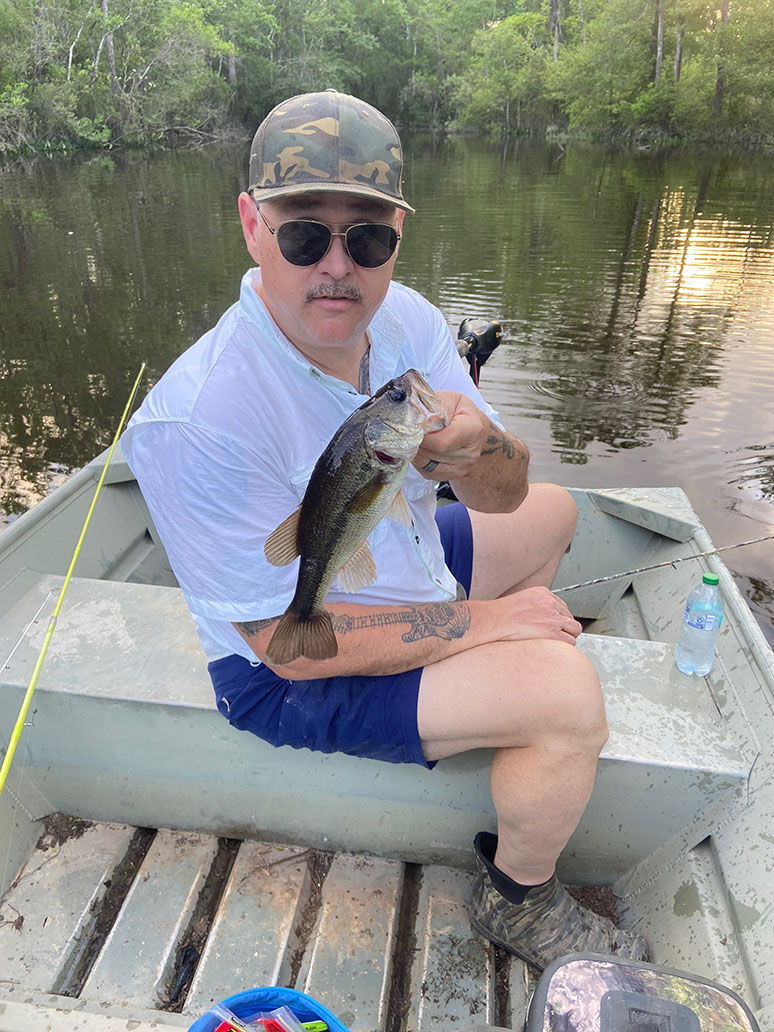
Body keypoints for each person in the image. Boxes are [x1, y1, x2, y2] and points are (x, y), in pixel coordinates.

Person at [121, 89, 649, 971]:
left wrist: (476, 446)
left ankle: (496, 701)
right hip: (286, 657)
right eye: (304, 234)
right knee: (569, 696)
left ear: (397, 238)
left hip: (400, 572)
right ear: (253, 225)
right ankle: (517, 898)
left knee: (557, 510)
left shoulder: (406, 320)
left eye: (367, 237)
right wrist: (492, 624)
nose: (339, 266)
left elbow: (506, 498)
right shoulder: (200, 418)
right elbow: (285, 648)